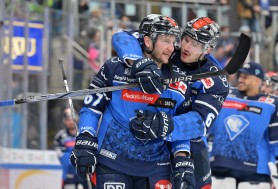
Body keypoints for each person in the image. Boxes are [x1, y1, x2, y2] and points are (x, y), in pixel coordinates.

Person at [70, 14, 200, 189]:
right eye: (166, 41)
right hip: (111, 163)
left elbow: (179, 125)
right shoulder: (114, 67)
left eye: (173, 41)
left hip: (157, 170)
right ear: (147, 41)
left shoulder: (180, 81)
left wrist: (182, 157)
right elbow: (92, 107)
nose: (171, 48)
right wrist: (85, 138)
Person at [113, 17, 229, 189]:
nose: (186, 47)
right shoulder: (169, 48)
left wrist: (167, 124)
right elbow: (121, 37)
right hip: (148, 127)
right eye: (186, 39)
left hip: (187, 141)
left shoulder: (216, 81)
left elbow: (200, 122)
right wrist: (139, 63)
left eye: (195, 44)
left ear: (208, 49)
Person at [208, 62, 278, 189]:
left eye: (245, 77)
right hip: (221, 166)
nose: (240, 79)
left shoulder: (272, 103)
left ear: (257, 80)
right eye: (240, 76)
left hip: (256, 171)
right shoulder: (224, 94)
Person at [54, 107, 86, 189]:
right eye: (67, 119)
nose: (70, 121)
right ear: (64, 121)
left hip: (84, 172)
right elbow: (60, 154)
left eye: (72, 118)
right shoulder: (61, 136)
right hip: (69, 174)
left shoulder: (84, 133)